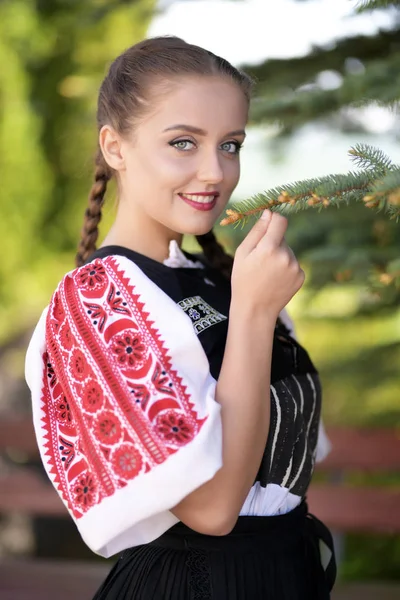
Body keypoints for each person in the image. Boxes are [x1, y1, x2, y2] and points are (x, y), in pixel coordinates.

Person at [25, 36, 336, 599]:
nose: (215, 172)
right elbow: (212, 510)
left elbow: (288, 461)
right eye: (184, 142)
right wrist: (255, 312)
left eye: (231, 145)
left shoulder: (214, 278)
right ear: (115, 147)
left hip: (283, 573)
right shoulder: (96, 302)